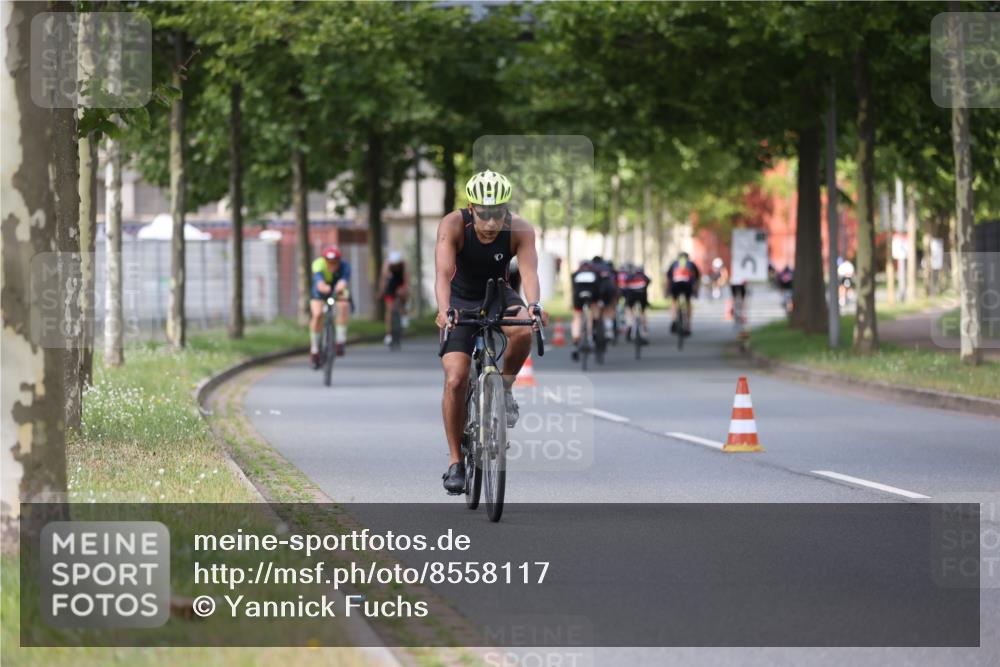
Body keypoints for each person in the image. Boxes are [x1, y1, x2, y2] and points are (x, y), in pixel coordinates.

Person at [435, 170, 548, 494]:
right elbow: (443, 273)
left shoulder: (520, 229)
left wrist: (536, 305)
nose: (490, 220)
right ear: (471, 207)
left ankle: (505, 389)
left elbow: (528, 271)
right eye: (483, 212)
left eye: (498, 211)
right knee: (456, 378)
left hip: (498, 295)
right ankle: (456, 462)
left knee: (523, 329)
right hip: (459, 299)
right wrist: (444, 310)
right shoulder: (453, 224)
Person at [309, 244, 352, 367]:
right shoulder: (318, 264)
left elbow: (343, 282)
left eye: (335, 262)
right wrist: (325, 288)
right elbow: (319, 283)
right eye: (329, 262)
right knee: (317, 314)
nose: (332, 265)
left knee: (343, 305)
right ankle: (315, 347)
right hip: (320, 291)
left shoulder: (345, 266)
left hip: (337, 290)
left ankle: (340, 340)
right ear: (324, 260)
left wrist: (339, 288)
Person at [666, 251, 700, 335]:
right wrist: (696, 291)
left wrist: (667, 290)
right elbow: (697, 278)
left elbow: (668, 278)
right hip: (687, 285)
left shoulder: (674, 264)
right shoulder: (691, 264)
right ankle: (688, 324)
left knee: (674, 301)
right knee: (688, 302)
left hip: (675, 285)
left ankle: (674, 320)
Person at [381, 250, 410, 345]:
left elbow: (406, 280)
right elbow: (383, 279)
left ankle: (404, 313)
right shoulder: (387, 265)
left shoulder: (404, 265)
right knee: (389, 310)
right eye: (394, 265)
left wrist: (405, 290)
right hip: (391, 285)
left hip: (400, 282)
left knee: (403, 294)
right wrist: (381, 291)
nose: (396, 267)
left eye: (397, 265)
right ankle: (389, 334)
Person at [622, 264, 652, 343]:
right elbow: (649, 282)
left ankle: (630, 324)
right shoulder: (644, 277)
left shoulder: (630, 276)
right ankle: (645, 331)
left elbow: (625, 284)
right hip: (642, 297)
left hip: (631, 297)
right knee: (643, 312)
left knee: (629, 309)